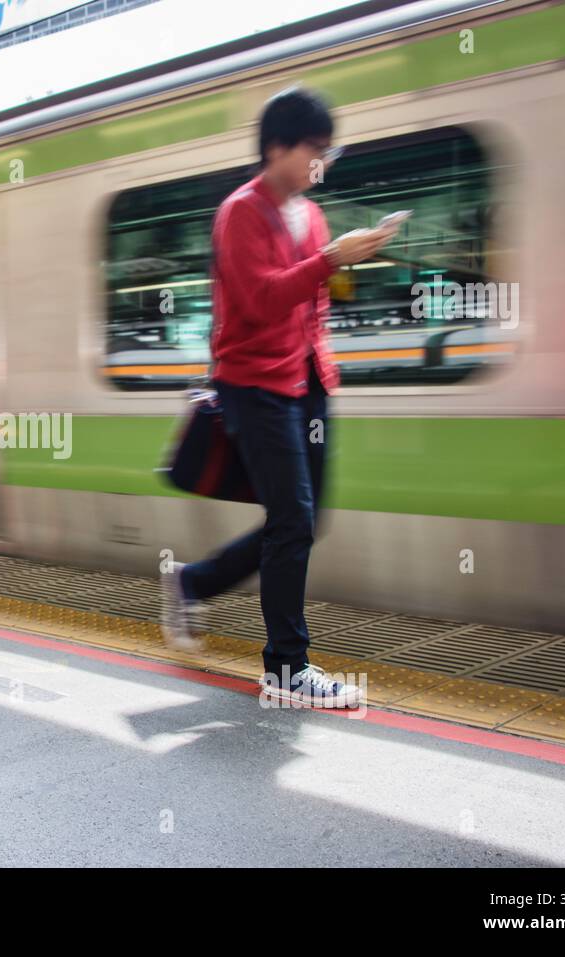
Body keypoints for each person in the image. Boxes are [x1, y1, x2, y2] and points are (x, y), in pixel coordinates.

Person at [160, 87, 396, 708]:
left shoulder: (311, 216)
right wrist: (328, 260)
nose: (321, 162)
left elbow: (311, 301)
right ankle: (287, 667)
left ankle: (191, 582)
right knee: (293, 519)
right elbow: (261, 298)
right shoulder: (240, 212)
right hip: (255, 386)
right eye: (314, 150)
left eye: (326, 151)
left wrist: (347, 259)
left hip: (308, 383)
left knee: (303, 520)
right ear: (276, 148)